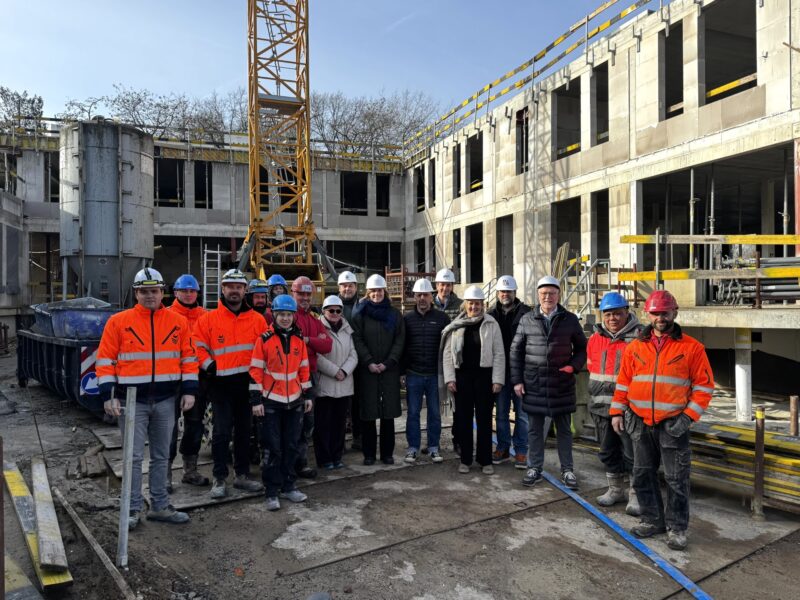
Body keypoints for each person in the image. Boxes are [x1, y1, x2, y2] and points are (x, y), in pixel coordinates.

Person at [610, 290, 714, 551]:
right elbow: (624, 383)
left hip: (673, 424)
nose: (660, 318)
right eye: (655, 313)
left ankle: (677, 528)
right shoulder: (635, 347)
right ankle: (652, 520)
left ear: (675, 313)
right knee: (643, 474)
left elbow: (704, 388)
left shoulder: (692, 348)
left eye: (665, 312)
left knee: (677, 479)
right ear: (648, 314)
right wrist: (616, 411)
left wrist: (688, 418)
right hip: (640, 422)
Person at [97, 267, 197, 529]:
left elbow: (188, 358)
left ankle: (160, 506)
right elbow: (105, 360)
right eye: (144, 291)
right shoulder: (118, 322)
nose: (150, 296)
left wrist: (189, 390)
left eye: (154, 291)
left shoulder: (178, 322)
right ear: (136, 293)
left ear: (162, 292)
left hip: (166, 400)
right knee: (132, 458)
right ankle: (130, 510)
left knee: (162, 456)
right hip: (131, 401)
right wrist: (108, 395)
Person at [193, 269, 266, 499]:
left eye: (238, 287)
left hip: (247, 384)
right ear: (223, 289)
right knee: (222, 432)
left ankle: (242, 475)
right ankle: (219, 477)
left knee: (245, 432)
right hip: (221, 384)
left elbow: (265, 350)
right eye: (230, 286)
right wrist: (209, 366)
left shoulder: (257, 320)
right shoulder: (208, 319)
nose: (234, 291)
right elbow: (197, 347)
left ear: (245, 290)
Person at [511, 275, 587, 490]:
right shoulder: (527, 319)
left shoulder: (570, 319)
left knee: (563, 429)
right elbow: (515, 352)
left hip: (561, 383)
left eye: (552, 293)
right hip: (534, 384)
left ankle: (567, 470)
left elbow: (582, 348)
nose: (548, 297)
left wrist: (573, 366)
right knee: (534, 430)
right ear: (538, 295)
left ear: (558, 295)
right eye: (544, 293)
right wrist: (517, 381)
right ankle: (534, 467)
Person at [249, 294, 313, 511]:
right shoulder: (264, 339)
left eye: (288, 315)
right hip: (271, 403)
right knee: (272, 449)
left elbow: (304, 369)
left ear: (294, 316)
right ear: (274, 315)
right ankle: (271, 491)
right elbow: (255, 371)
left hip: (294, 401)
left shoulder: (298, 339)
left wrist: (308, 395)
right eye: (281, 315)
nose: (285, 318)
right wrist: (256, 401)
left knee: (292, 446)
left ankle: (289, 486)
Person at [587, 292, 642, 515]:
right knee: (608, 451)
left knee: (632, 453)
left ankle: (635, 494)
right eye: (608, 314)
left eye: (617, 314)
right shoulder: (595, 338)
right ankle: (615, 490)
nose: (612, 318)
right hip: (601, 407)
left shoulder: (639, 338)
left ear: (626, 312)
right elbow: (592, 368)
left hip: (628, 409)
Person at [442, 285, 504, 474]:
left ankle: (485, 461)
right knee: (463, 420)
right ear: (465, 305)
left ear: (483, 305)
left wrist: (497, 380)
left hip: (484, 377)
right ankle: (466, 460)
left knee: (485, 420)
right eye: (470, 304)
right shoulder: (457, 325)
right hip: (462, 378)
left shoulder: (491, 324)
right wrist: (450, 379)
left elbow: (499, 354)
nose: (474, 307)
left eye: (477, 304)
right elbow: (447, 355)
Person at [350, 274, 405, 465]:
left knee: (388, 413)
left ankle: (387, 454)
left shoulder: (394, 314)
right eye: (373, 291)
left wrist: (389, 361)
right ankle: (369, 454)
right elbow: (357, 339)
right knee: (369, 413)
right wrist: (369, 361)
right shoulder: (360, 314)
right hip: (368, 371)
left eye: (379, 290)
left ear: (384, 291)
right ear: (368, 292)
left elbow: (400, 339)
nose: (376, 294)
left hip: (389, 370)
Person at [167, 274, 209, 490]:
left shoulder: (204, 316)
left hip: (198, 381)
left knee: (194, 425)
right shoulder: (166, 316)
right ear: (175, 292)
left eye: (192, 291)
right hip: (172, 380)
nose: (189, 294)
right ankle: (164, 474)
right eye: (184, 290)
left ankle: (189, 470)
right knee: (168, 427)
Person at [402, 278, 450, 464]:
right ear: (414, 297)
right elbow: (403, 346)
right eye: (419, 295)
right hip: (413, 374)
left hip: (433, 375)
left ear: (432, 297)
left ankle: (433, 447)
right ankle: (412, 448)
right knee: (413, 412)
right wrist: (402, 373)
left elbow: (447, 347)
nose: (422, 298)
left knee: (435, 413)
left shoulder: (442, 318)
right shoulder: (407, 319)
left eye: (426, 295)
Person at [290, 276, 333, 478]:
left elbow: (328, 345)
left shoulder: (314, 320)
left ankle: (301, 463)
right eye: (301, 294)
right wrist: (316, 341)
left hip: (311, 377)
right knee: (290, 422)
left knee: (307, 422)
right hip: (289, 377)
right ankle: (288, 465)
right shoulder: (287, 316)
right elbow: (290, 343)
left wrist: (307, 340)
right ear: (293, 294)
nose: (305, 298)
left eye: (308, 294)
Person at [487, 275, 531, 469]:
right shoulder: (490, 315)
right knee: (502, 413)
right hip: (500, 372)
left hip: (521, 371)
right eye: (502, 291)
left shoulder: (528, 314)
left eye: (509, 291)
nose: (505, 294)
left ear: (515, 293)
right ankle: (503, 448)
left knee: (522, 414)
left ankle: (521, 451)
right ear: (497, 293)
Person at [314, 296, 358, 470]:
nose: (334, 314)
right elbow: (315, 355)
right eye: (330, 310)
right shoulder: (318, 327)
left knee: (339, 424)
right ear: (324, 311)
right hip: (326, 383)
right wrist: (335, 371)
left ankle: (337, 456)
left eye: (338, 310)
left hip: (344, 383)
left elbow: (353, 354)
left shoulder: (347, 329)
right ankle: (324, 458)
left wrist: (345, 371)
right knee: (323, 424)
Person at [433, 268, 462, 453]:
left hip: (455, 359)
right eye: (442, 284)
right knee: (434, 405)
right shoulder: (429, 304)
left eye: (448, 284)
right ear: (437, 285)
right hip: (434, 359)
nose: (445, 287)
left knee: (458, 405)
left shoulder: (460, 305)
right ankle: (433, 442)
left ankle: (457, 439)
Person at [337, 270, 362, 450]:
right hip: (339, 361)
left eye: (350, 285)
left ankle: (358, 437)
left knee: (359, 403)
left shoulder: (363, 305)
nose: (347, 288)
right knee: (340, 404)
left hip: (360, 361)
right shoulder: (332, 305)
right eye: (344, 286)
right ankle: (339, 440)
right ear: (339, 288)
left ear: (356, 287)